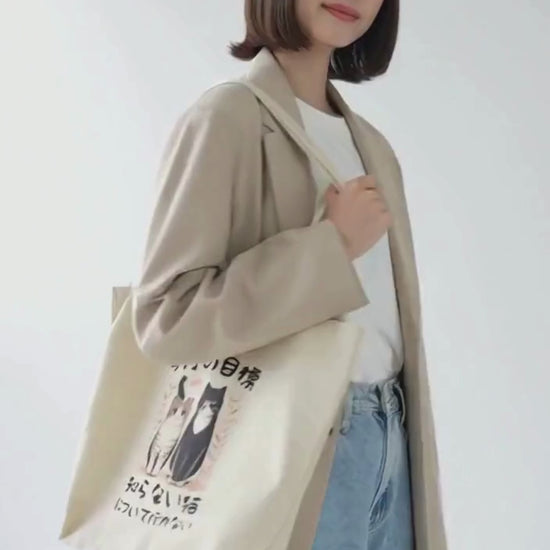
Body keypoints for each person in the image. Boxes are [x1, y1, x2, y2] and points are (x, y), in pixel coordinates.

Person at [132, 1, 445, 549]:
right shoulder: (228, 117)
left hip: (393, 437)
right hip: (296, 446)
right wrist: (331, 247)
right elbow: (167, 318)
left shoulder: (373, 147)